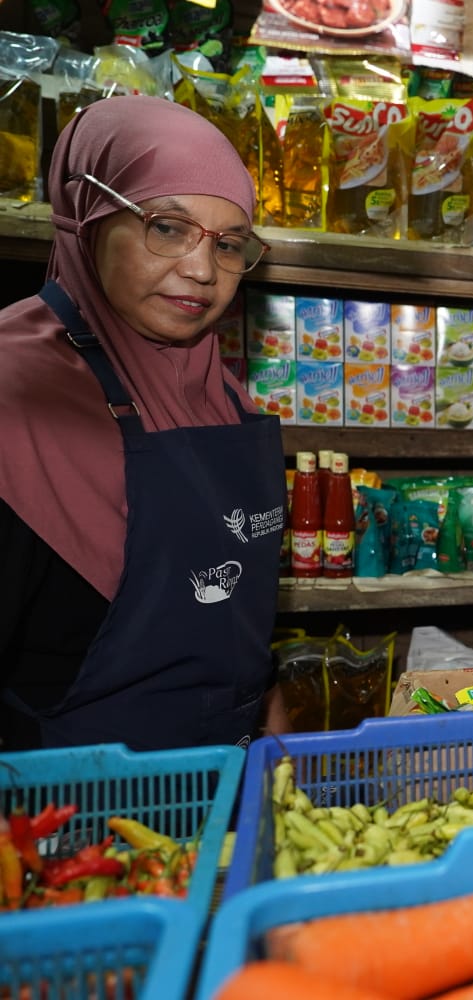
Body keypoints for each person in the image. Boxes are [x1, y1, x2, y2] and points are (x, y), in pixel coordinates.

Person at [0, 96, 286, 751]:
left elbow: (239, 639)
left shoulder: (230, 404)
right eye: (166, 226)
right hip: (65, 825)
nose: (201, 271)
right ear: (86, 217)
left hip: (222, 806)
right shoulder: (16, 395)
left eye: (230, 244)